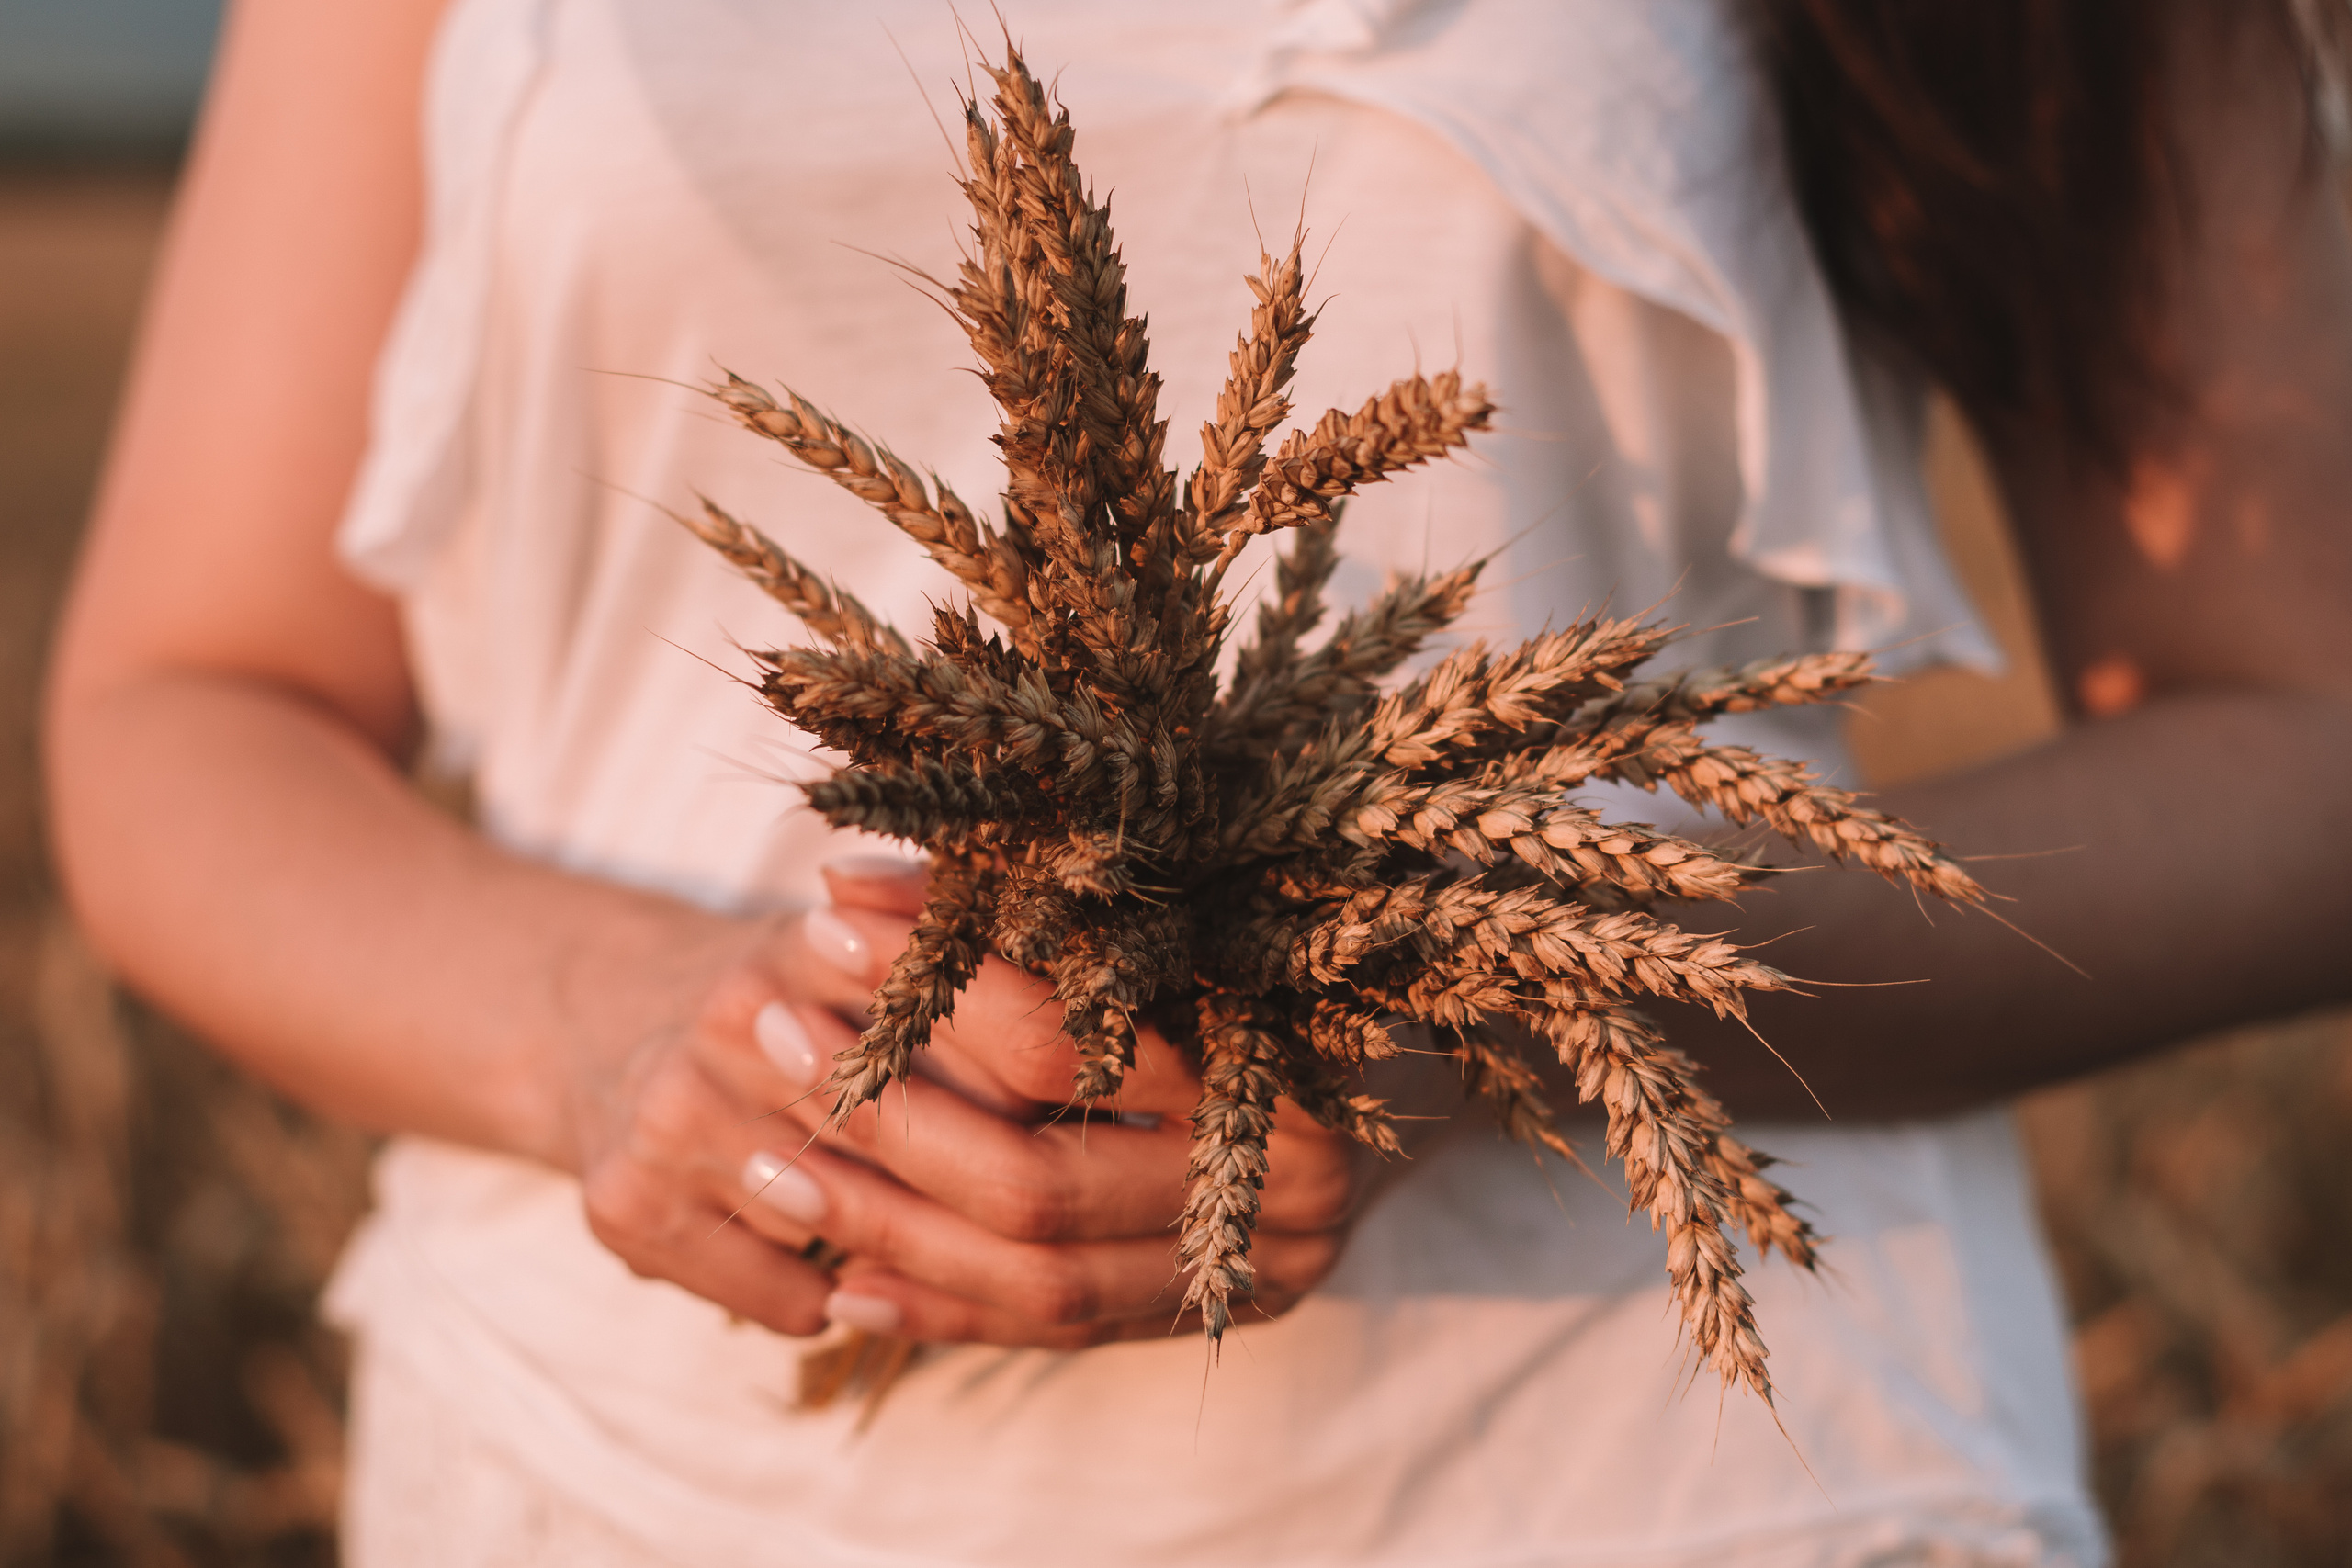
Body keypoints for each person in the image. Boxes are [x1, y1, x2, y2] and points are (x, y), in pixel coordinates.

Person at [41, 0, 2352, 1562]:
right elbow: (190, 692)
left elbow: (2303, 742)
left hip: (1657, 1482)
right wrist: (635, 1035)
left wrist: (1481, 977)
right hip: (614, 1472)